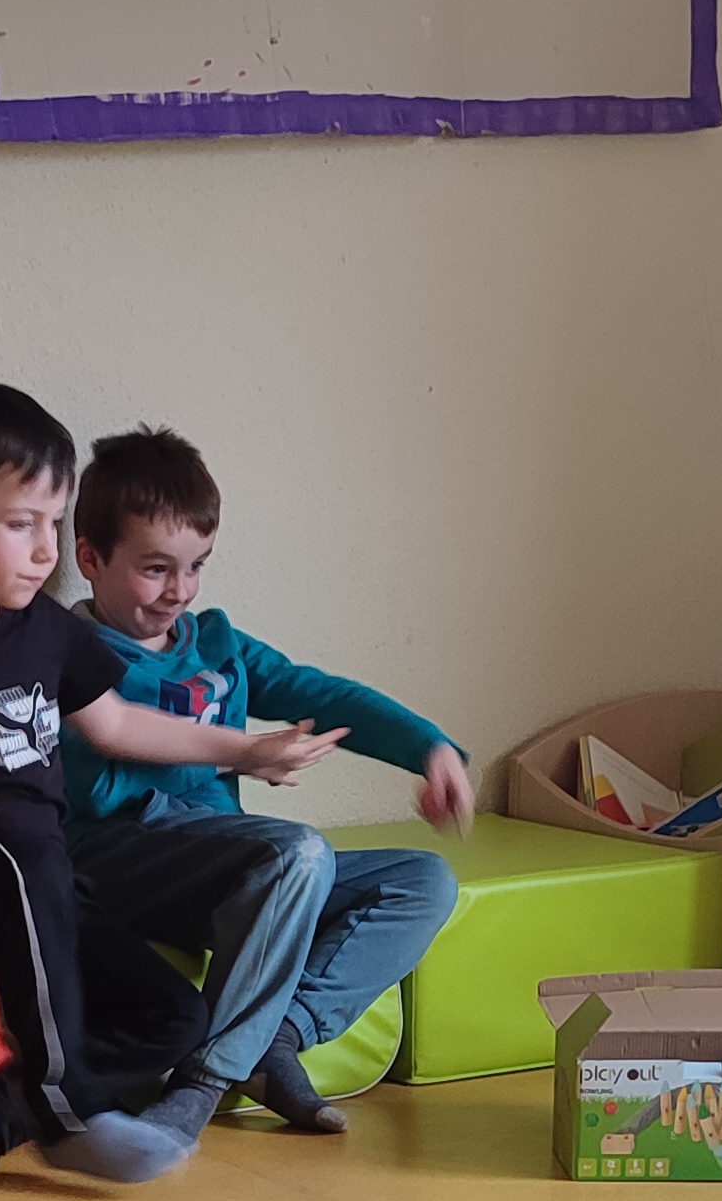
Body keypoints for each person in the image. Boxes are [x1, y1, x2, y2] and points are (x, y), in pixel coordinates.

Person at [0, 381, 340, 1186]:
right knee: (24, 859)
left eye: (54, 522)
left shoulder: (42, 629)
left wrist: (244, 750)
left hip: (36, 882)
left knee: (174, 1015)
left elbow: (117, 724)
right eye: (20, 524)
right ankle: (65, 1120)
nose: (47, 550)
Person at [59, 428, 469, 1133]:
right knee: (297, 850)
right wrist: (238, 754)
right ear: (90, 559)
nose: (179, 591)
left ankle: (277, 1036)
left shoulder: (217, 645)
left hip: (232, 867)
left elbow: (323, 694)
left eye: (195, 567)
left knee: (422, 881)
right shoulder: (68, 651)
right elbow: (98, 782)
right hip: (119, 860)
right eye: (155, 569)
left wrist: (429, 748)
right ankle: (205, 1079)